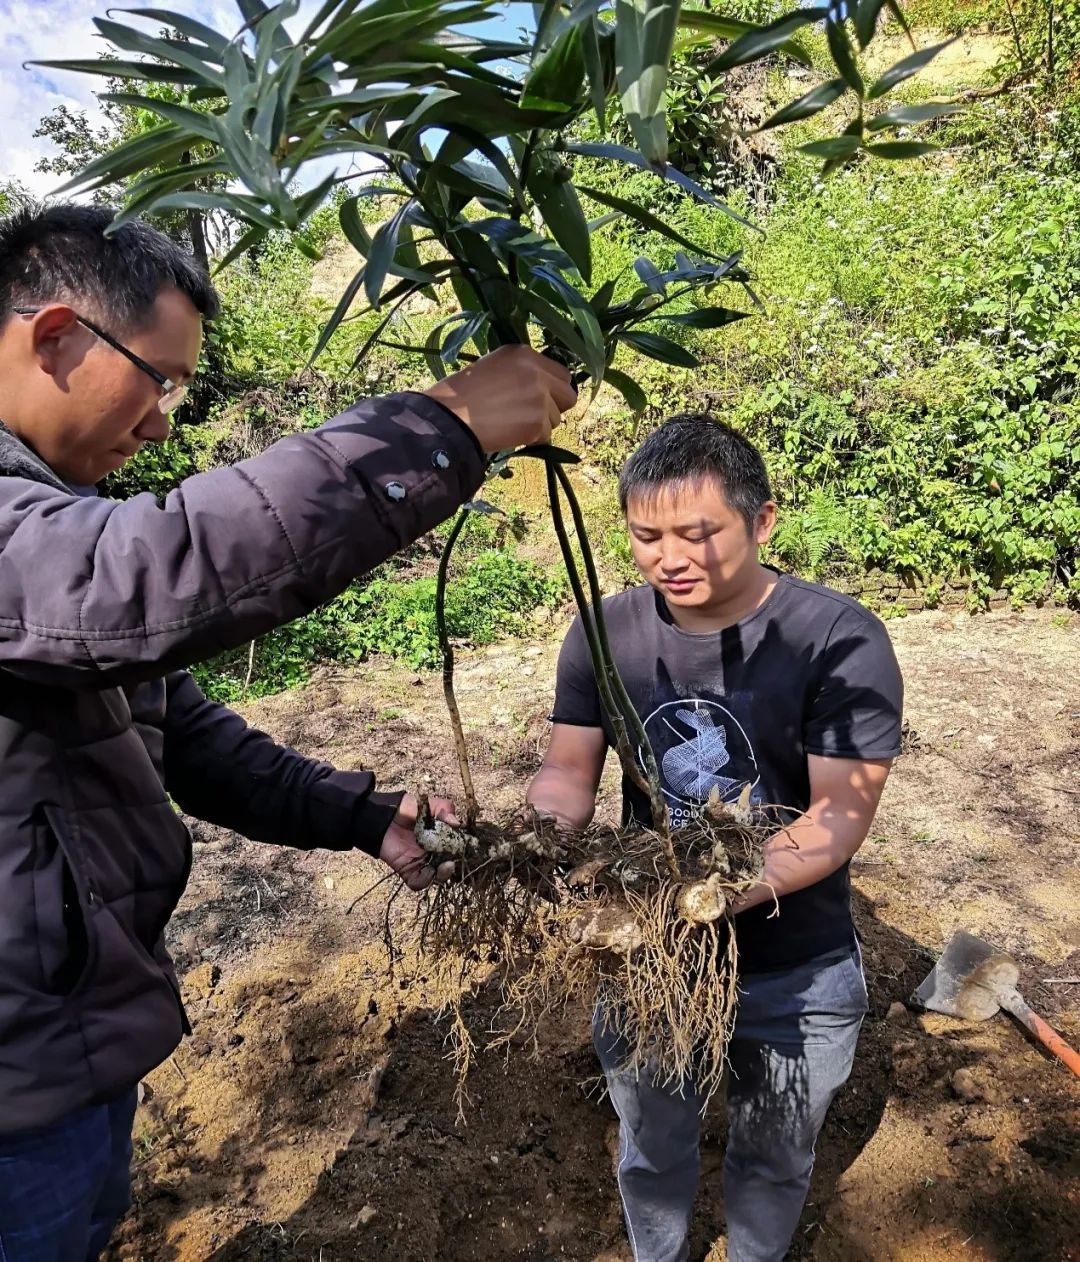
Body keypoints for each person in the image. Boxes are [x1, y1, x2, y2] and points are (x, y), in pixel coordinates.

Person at [0, 202, 576, 1262]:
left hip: (61, 1056)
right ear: (55, 337)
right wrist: (437, 426)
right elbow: (147, 569)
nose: (167, 418)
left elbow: (176, 734)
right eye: (161, 377)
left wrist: (362, 813)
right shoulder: (37, 542)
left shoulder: (38, 531)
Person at [526, 414, 903, 1262]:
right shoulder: (605, 629)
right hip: (650, 961)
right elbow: (568, 771)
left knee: (773, 1158)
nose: (671, 557)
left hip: (793, 968)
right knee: (652, 1147)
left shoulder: (837, 640)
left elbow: (838, 817)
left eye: (699, 533)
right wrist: (537, 836)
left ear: (762, 520)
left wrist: (709, 893)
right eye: (646, 536)